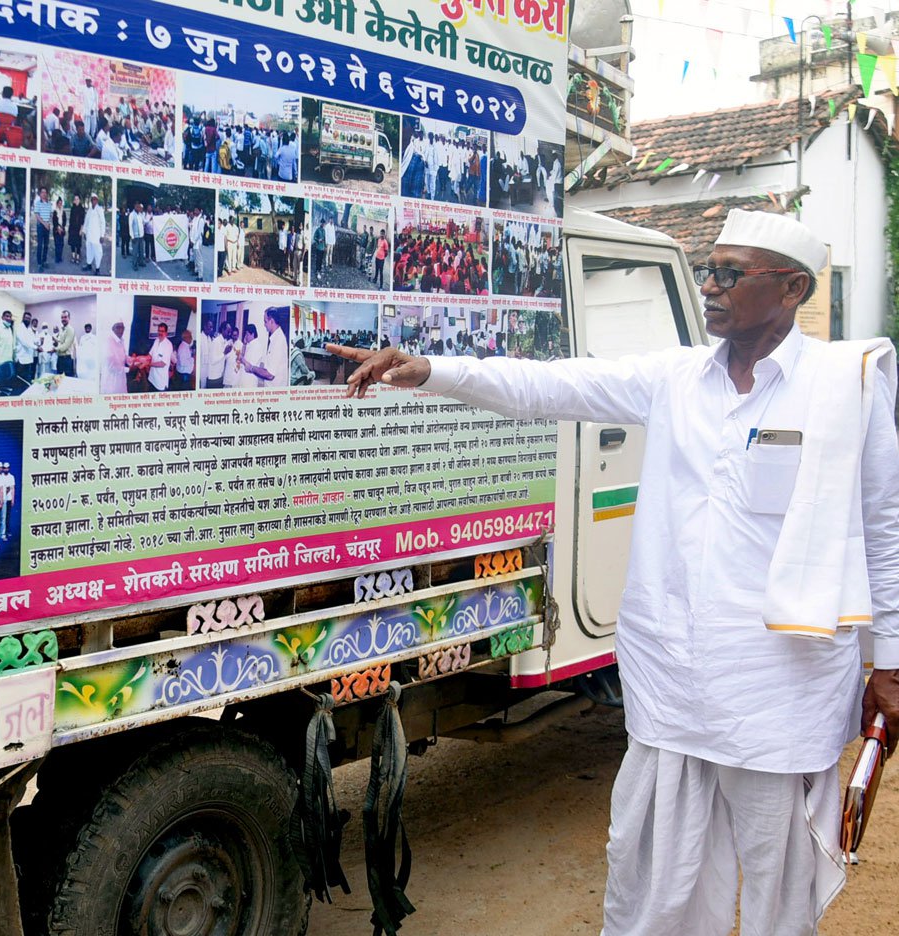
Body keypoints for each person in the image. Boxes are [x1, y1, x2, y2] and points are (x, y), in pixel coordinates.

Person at [329, 209, 899, 936]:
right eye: (707, 271)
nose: (711, 288)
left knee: (777, 885)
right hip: (674, 680)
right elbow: (549, 386)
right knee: (659, 873)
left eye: (730, 274)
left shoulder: (842, 384)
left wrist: (891, 665)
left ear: (791, 288)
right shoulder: (675, 378)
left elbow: (883, 526)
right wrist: (431, 371)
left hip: (776, 690)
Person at [247, 306, 290, 388]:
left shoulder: (278, 341)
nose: (264, 324)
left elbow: (270, 375)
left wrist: (251, 368)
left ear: (272, 321)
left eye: (265, 321)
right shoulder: (274, 338)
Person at [103, 320, 131, 395]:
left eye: (122, 327)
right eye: (118, 327)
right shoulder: (108, 342)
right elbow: (112, 367)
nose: (121, 330)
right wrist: (129, 369)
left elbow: (124, 355)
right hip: (111, 381)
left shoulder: (121, 340)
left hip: (121, 378)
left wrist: (132, 360)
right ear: (113, 328)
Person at [83, 194, 107, 274]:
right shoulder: (89, 210)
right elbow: (86, 221)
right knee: (89, 250)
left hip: (97, 236)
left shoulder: (99, 209)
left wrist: (102, 235)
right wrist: (85, 232)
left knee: (98, 252)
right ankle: (89, 265)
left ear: (97, 200)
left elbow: (103, 223)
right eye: (92, 199)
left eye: (94, 199)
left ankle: (97, 268)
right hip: (89, 235)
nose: (93, 201)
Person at [147, 323, 174, 392]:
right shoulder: (156, 341)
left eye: (162, 331)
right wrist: (141, 360)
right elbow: (150, 355)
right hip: (152, 378)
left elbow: (162, 363)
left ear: (166, 333)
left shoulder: (168, 345)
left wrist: (148, 364)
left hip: (160, 382)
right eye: (159, 331)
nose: (160, 333)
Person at [200, 318, 225, 390]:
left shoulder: (210, 338)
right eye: (210, 327)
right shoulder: (200, 337)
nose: (211, 329)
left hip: (209, 369)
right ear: (205, 326)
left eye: (212, 327)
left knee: (205, 388)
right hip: (201, 369)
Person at [56, 309, 76, 377]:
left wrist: (55, 349)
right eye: (62, 317)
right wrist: (56, 341)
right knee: (59, 380)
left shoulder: (70, 329)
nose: (63, 319)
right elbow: (60, 342)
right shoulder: (62, 329)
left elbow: (65, 346)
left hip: (66, 359)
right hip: (60, 359)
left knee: (67, 382)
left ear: (69, 318)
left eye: (65, 317)